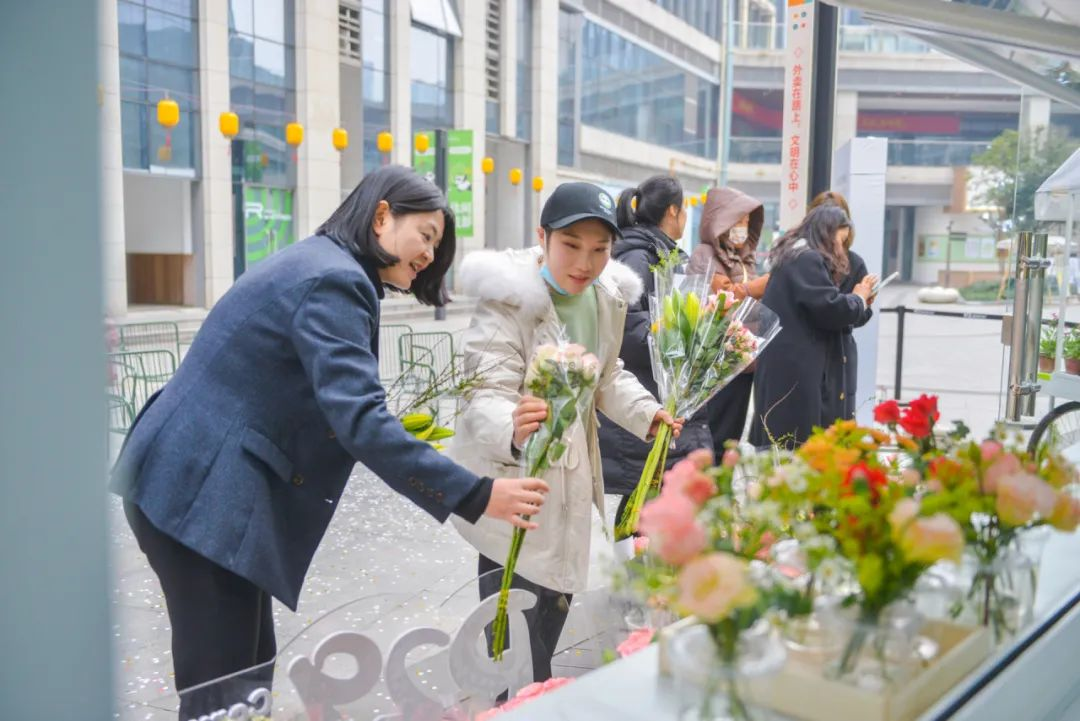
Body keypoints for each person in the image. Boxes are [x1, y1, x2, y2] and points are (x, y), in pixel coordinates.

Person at [110, 165, 549, 718]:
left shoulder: (325, 266)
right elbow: (361, 422)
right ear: (382, 214)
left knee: (245, 680)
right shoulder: (335, 280)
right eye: (427, 237)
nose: (430, 256)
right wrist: (476, 494)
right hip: (198, 495)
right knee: (222, 693)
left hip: (197, 489)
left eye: (438, 247)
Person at [449, 181, 681, 685]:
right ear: (543, 238)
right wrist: (510, 425)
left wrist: (648, 412)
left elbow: (607, 374)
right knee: (508, 641)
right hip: (517, 487)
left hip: (574, 485)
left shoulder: (607, 296)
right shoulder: (510, 299)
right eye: (571, 245)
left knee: (552, 613)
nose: (585, 262)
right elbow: (483, 387)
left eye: (600, 249)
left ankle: (538, 694)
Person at [598, 175, 712, 527]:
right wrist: (680, 335)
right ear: (674, 211)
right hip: (642, 394)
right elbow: (628, 327)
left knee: (656, 492)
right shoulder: (638, 254)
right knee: (644, 495)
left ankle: (647, 565)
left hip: (657, 394)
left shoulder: (658, 251)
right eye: (684, 212)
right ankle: (634, 568)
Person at [747, 205, 877, 449]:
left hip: (787, 363)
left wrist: (859, 304)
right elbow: (828, 307)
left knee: (781, 443)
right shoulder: (807, 258)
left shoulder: (793, 254)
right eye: (840, 239)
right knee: (795, 446)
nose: (841, 247)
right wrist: (858, 297)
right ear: (829, 232)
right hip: (796, 368)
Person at [688, 186, 766, 449]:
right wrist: (748, 290)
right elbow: (708, 304)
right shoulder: (704, 255)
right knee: (715, 435)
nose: (742, 228)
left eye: (746, 222)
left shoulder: (745, 260)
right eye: (738, 221)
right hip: (717, 362)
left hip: (742, 362)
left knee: (730, 435)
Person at [808, 191, 874, 421]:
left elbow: (861, 317)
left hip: (842, 351)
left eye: (841, 223)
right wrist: (855, 301)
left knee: (840, 418)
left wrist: (862, 302)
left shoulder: (854, 262)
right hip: (810, 349)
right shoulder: (805, 259)